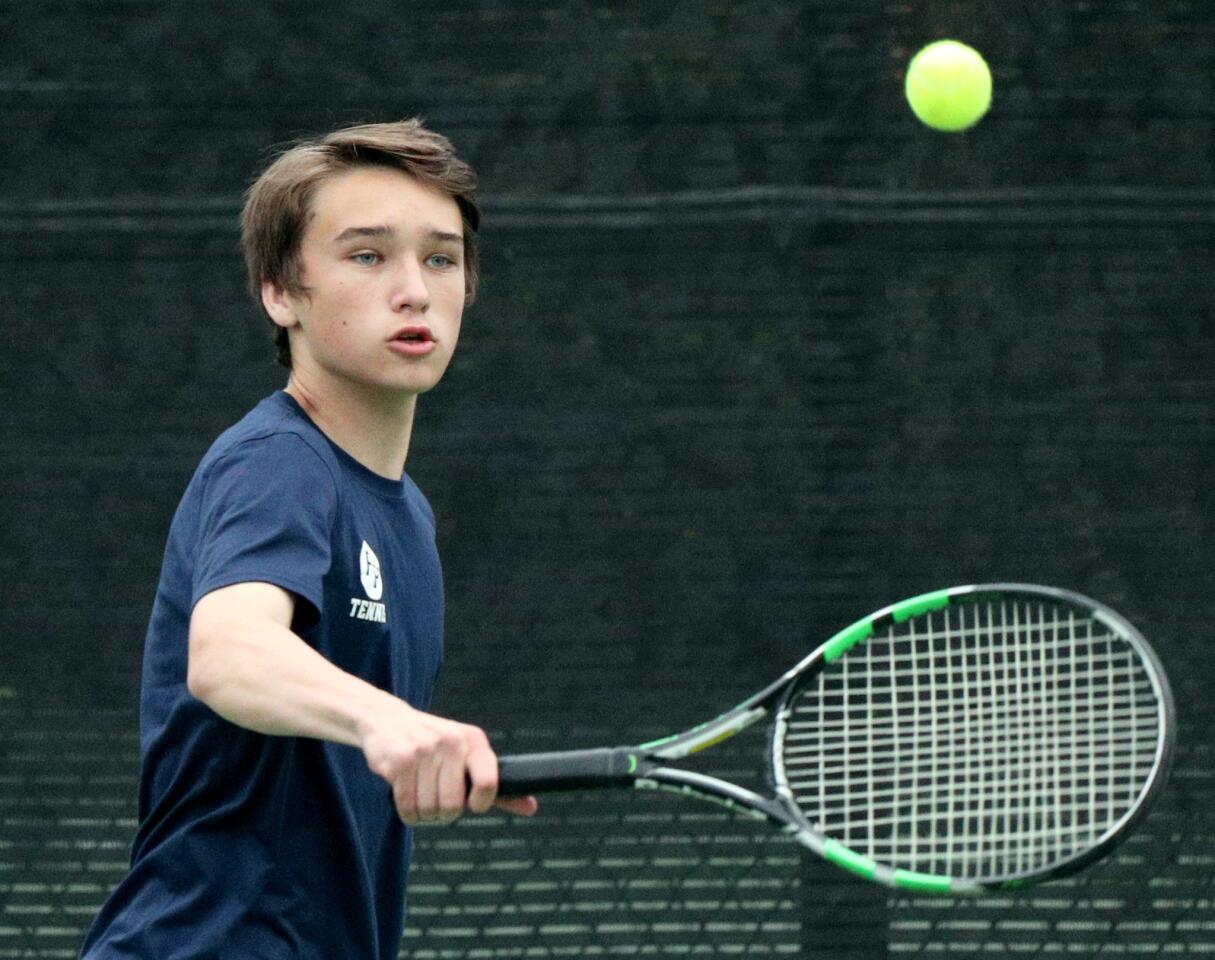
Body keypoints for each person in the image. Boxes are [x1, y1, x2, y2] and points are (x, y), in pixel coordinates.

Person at [79, 118, 536, 960]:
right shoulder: (280, 463)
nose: (413, 290)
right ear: (280, 293)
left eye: (440, 258)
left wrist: (400, 741)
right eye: (367, 256)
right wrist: (387, 722)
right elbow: (227, 652)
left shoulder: (408, 516)